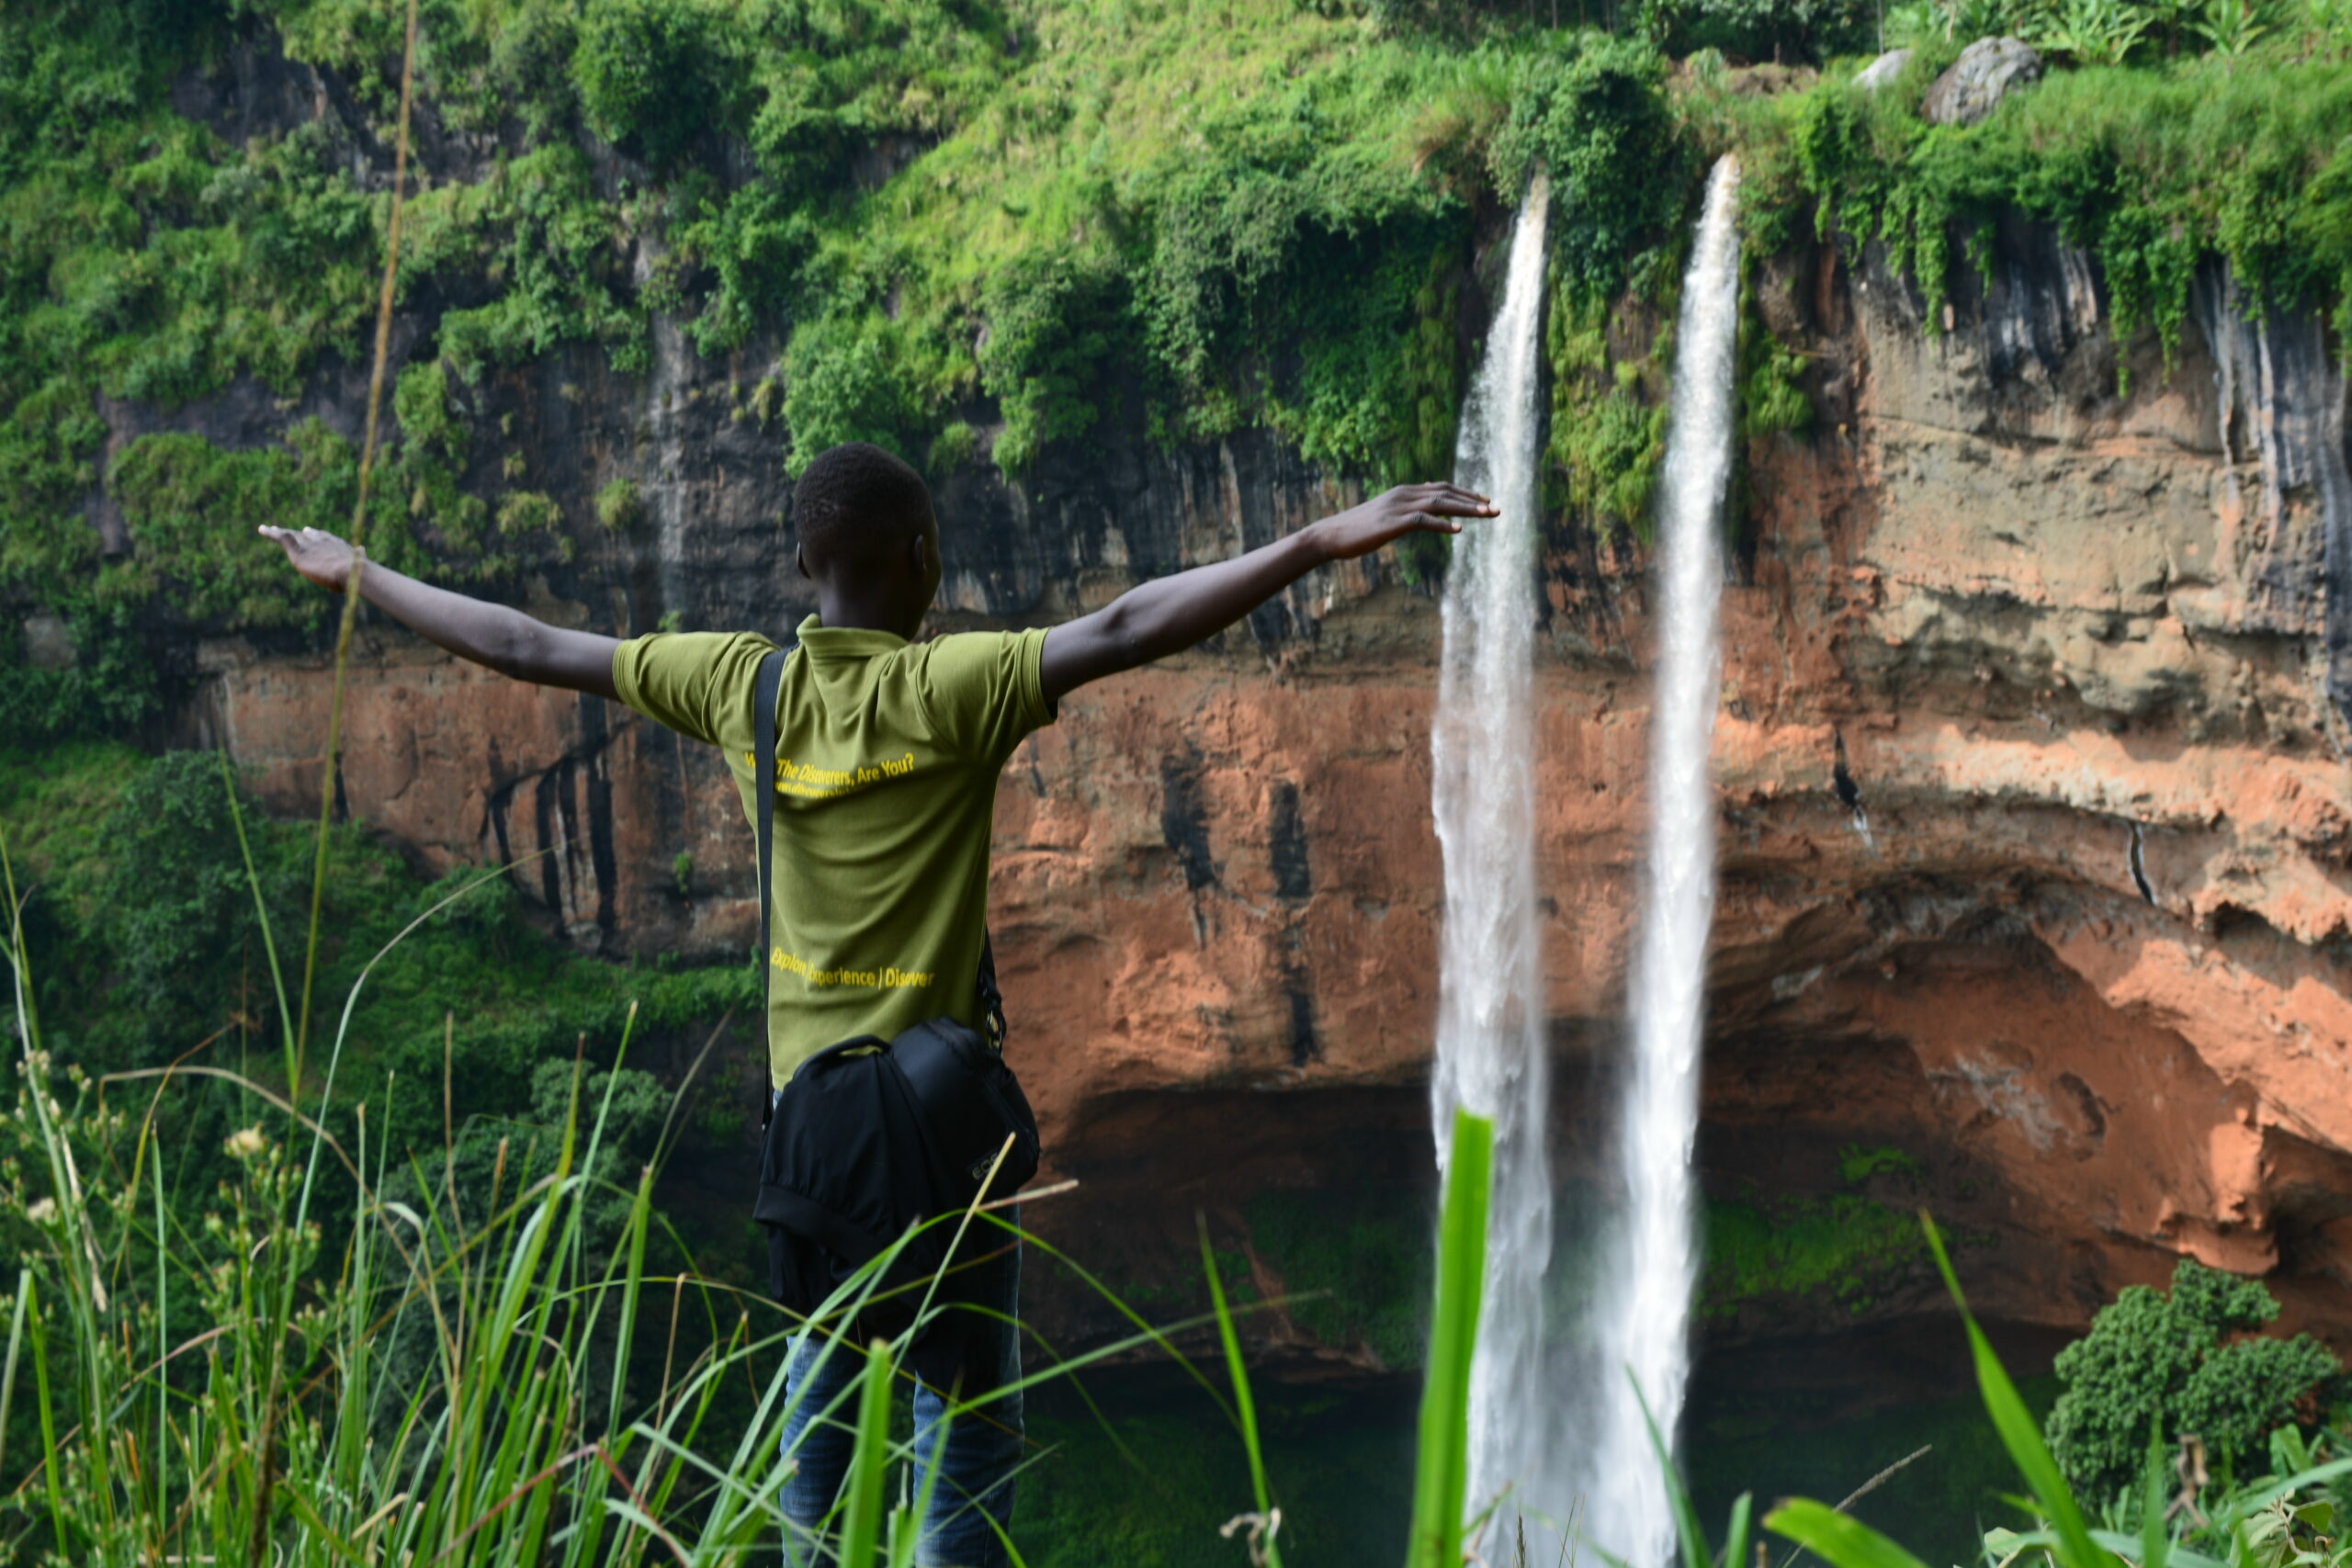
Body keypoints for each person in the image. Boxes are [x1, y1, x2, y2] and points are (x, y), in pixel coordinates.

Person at [261, 442, 1493, 1565]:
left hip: (816, 1135)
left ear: (805, 563)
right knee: (964, 1432)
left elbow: (526, 644)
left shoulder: (743, 690)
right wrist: (1317, 540)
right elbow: (1125, 623)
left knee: (820, 1425)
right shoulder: (955, 689)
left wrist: (358, 571)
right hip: (942, 1137)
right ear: (924, 562)